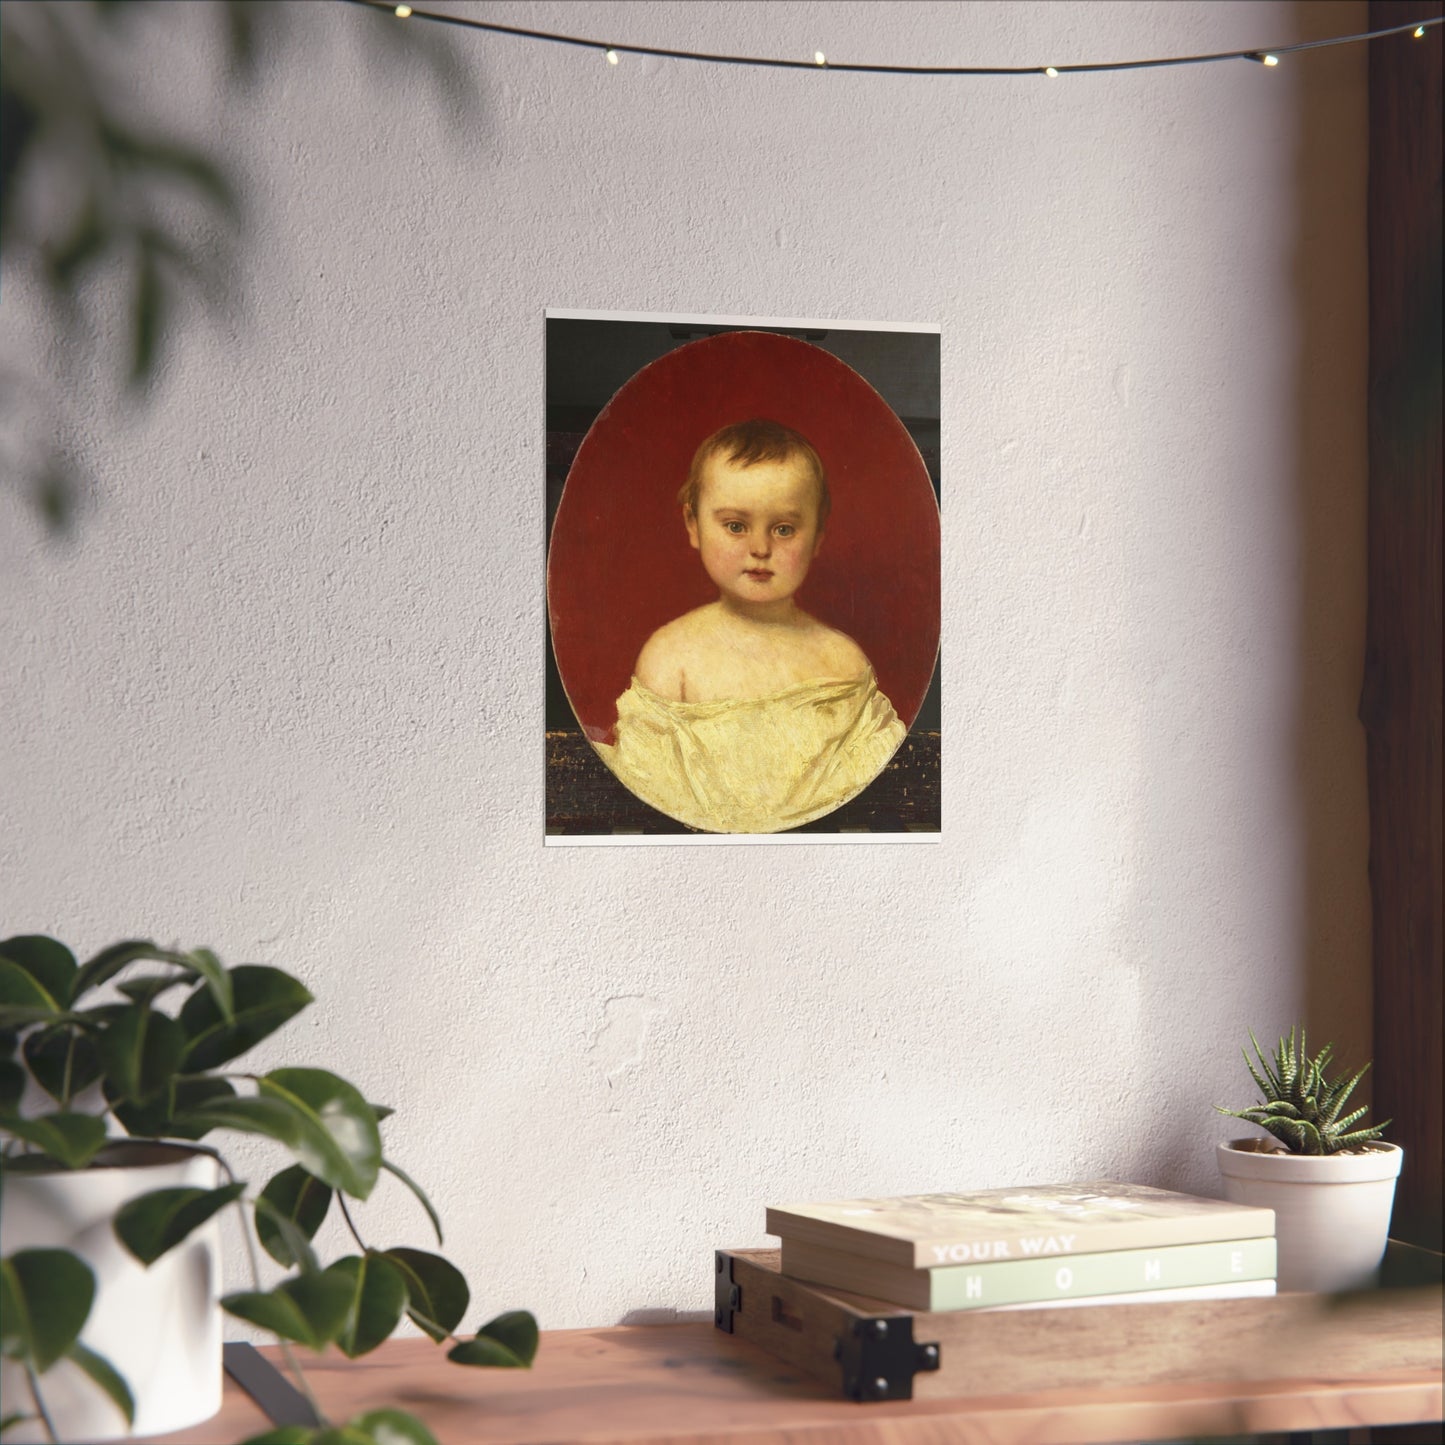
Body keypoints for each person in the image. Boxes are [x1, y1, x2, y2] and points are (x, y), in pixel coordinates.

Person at [594, 418, 905, 833]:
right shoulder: (672, 656)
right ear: (693, 525)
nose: (760, 549)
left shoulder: (842, 659)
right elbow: (647, 788)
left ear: (818, 537)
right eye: (736, 526)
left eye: (784, 529)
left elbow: (879, 784)